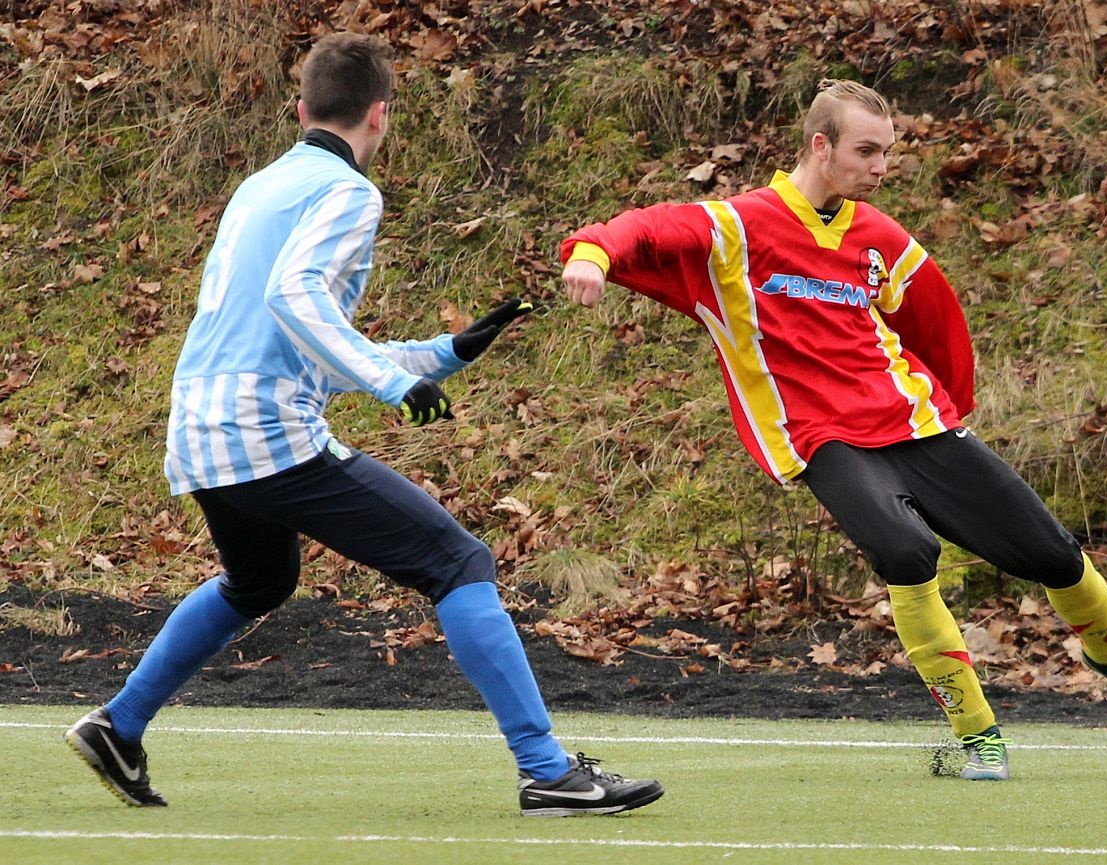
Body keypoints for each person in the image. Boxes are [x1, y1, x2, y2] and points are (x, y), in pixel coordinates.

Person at [65, 32, 663, 817]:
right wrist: (392, 384)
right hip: (265, 431)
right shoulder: (349, 193)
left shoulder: (261, 187)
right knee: (459, 561)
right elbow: (296, 297)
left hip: (200, 427)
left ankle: (120, 725)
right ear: (380, 114)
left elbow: (292, 336)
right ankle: (546, 769)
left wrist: (441, 353)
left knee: (260, 580)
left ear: (301, 110)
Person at [559, 79, 1107, 781]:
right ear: (820, 147)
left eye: (887, 152)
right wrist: (591, 253)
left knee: (1055, 555)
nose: (881, 167)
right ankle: (979, 737)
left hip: (916, 422)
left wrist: (952, 405)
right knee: (906, 551)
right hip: (822, 437)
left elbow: (932, 316)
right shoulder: (736, 227)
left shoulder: (878, 236)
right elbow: (647, 227)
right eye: (867, 151)